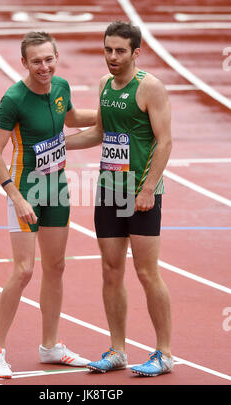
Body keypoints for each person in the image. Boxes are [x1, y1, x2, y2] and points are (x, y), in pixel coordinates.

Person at [65, 21, 173, 377]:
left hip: (141, 195)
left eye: (120, 51)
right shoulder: (104, 85)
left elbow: (164, 141)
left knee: (147, 272)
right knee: (111, 271)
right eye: (108, 49)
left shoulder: (150, 88)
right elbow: (100, 131)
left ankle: (165, 353)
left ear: (136, 52)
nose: (112, 57)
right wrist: (57, 146)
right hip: (109, 191)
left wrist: (147, 189)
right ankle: (118, 350)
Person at [0, 31, 96, 378]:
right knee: (24, 270)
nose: (44, 67)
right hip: (25, 190)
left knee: (56, 266)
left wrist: (111, 111)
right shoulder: (14, 99)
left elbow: (72, 119)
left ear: (56, 57)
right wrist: (15, 198)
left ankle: (50, 346)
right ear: (24, 63)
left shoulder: (62, 86)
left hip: (58, 189)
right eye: (36, 61)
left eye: (49, 59)